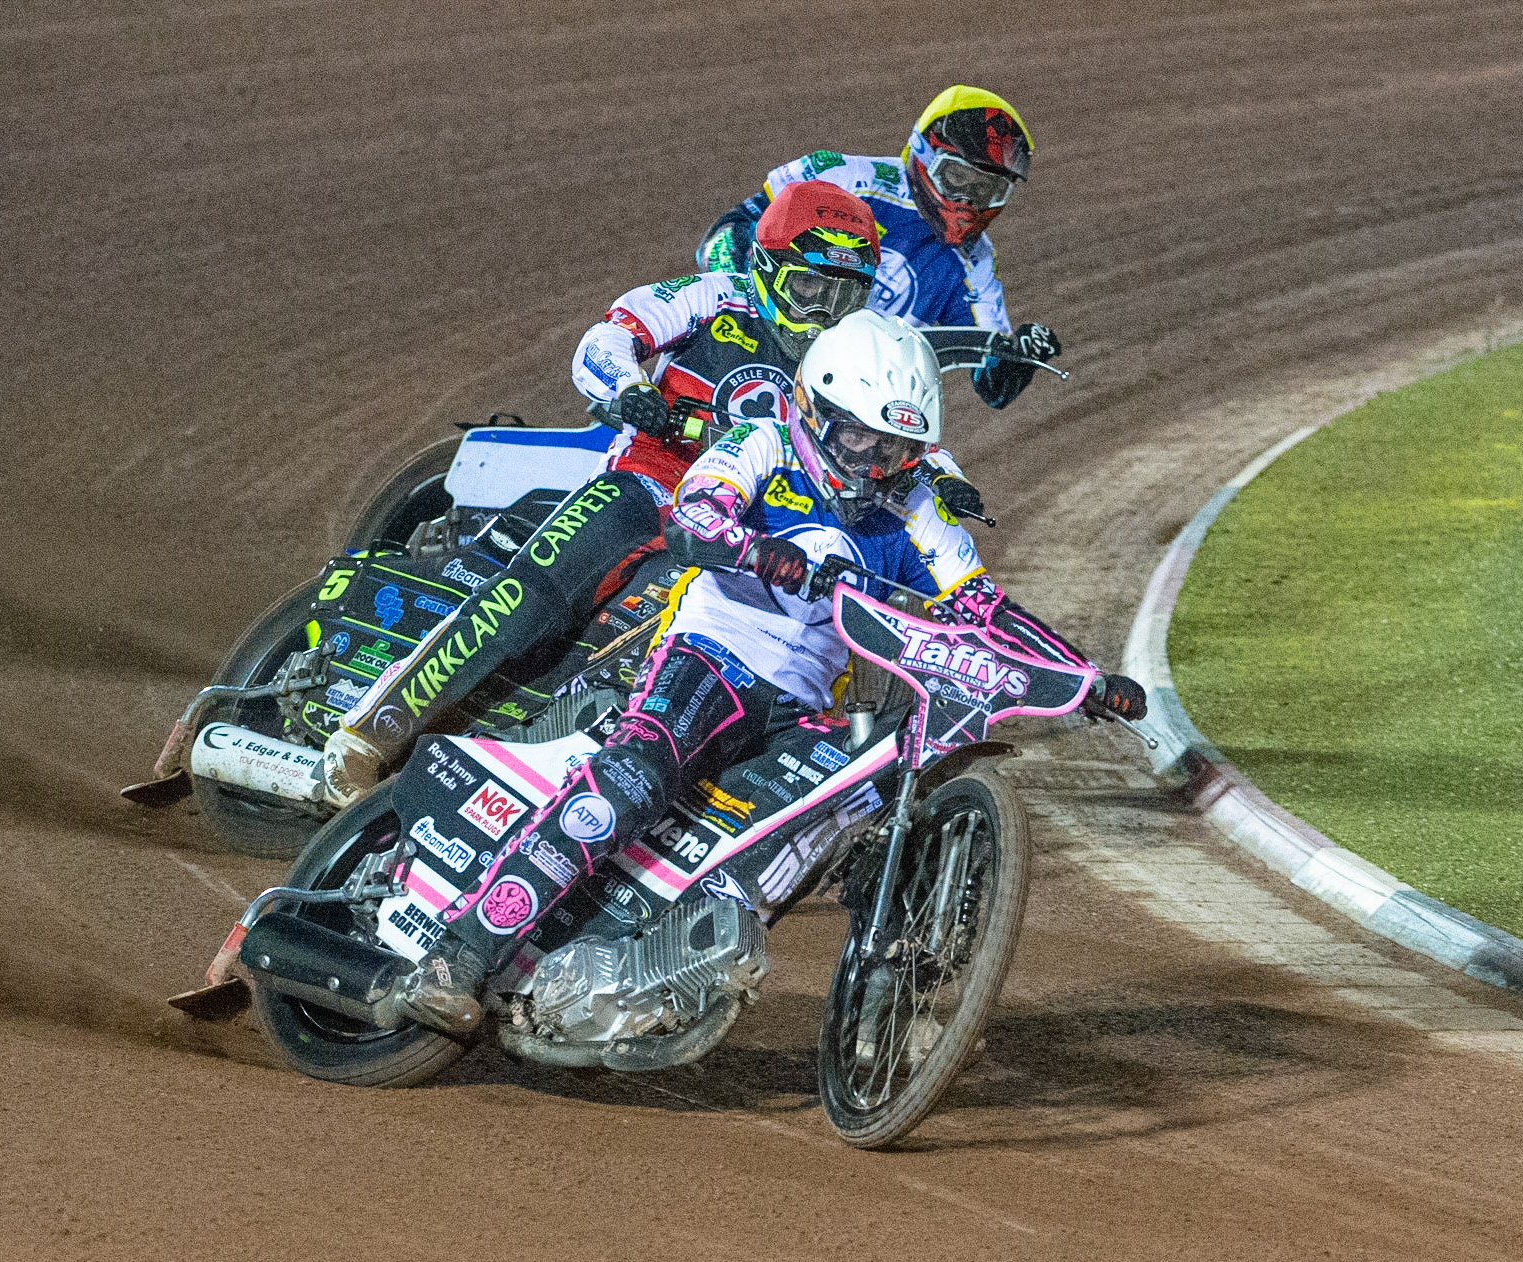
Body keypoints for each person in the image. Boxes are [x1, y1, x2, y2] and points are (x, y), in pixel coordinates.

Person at [393, 311, 1146, 1035]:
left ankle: (658, 964)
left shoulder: (914, 501)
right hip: (711, 652)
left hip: (803, 702)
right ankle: (457, 958)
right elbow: (695, 516)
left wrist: (1084, 675)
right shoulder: (762, 441)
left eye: (891, 451)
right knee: (631, 779)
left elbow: (980, 607)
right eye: (857, 437)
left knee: (830, 818)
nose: (870, 464)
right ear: (815, 410)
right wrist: (754, 549)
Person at [319, 180, 907, 806]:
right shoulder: (716, 297)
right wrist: (630, 389)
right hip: (652, 490)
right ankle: (367, 734)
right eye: (811, 287)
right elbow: (611, 335)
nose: (825, 311)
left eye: (846, 293)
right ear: (767, 267)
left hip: (756, 535)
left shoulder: (859, 352)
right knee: (534, 596)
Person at [696, 85, 1062, 439]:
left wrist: (1021, 355)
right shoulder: (842, 178)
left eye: (986, 189)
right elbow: (724, 237)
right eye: (957, 178)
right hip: (754, 356)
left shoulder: (977, 263)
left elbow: (994, 387)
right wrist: (750, 308)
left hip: (846, 418)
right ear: (925, 155)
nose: (967, 200)